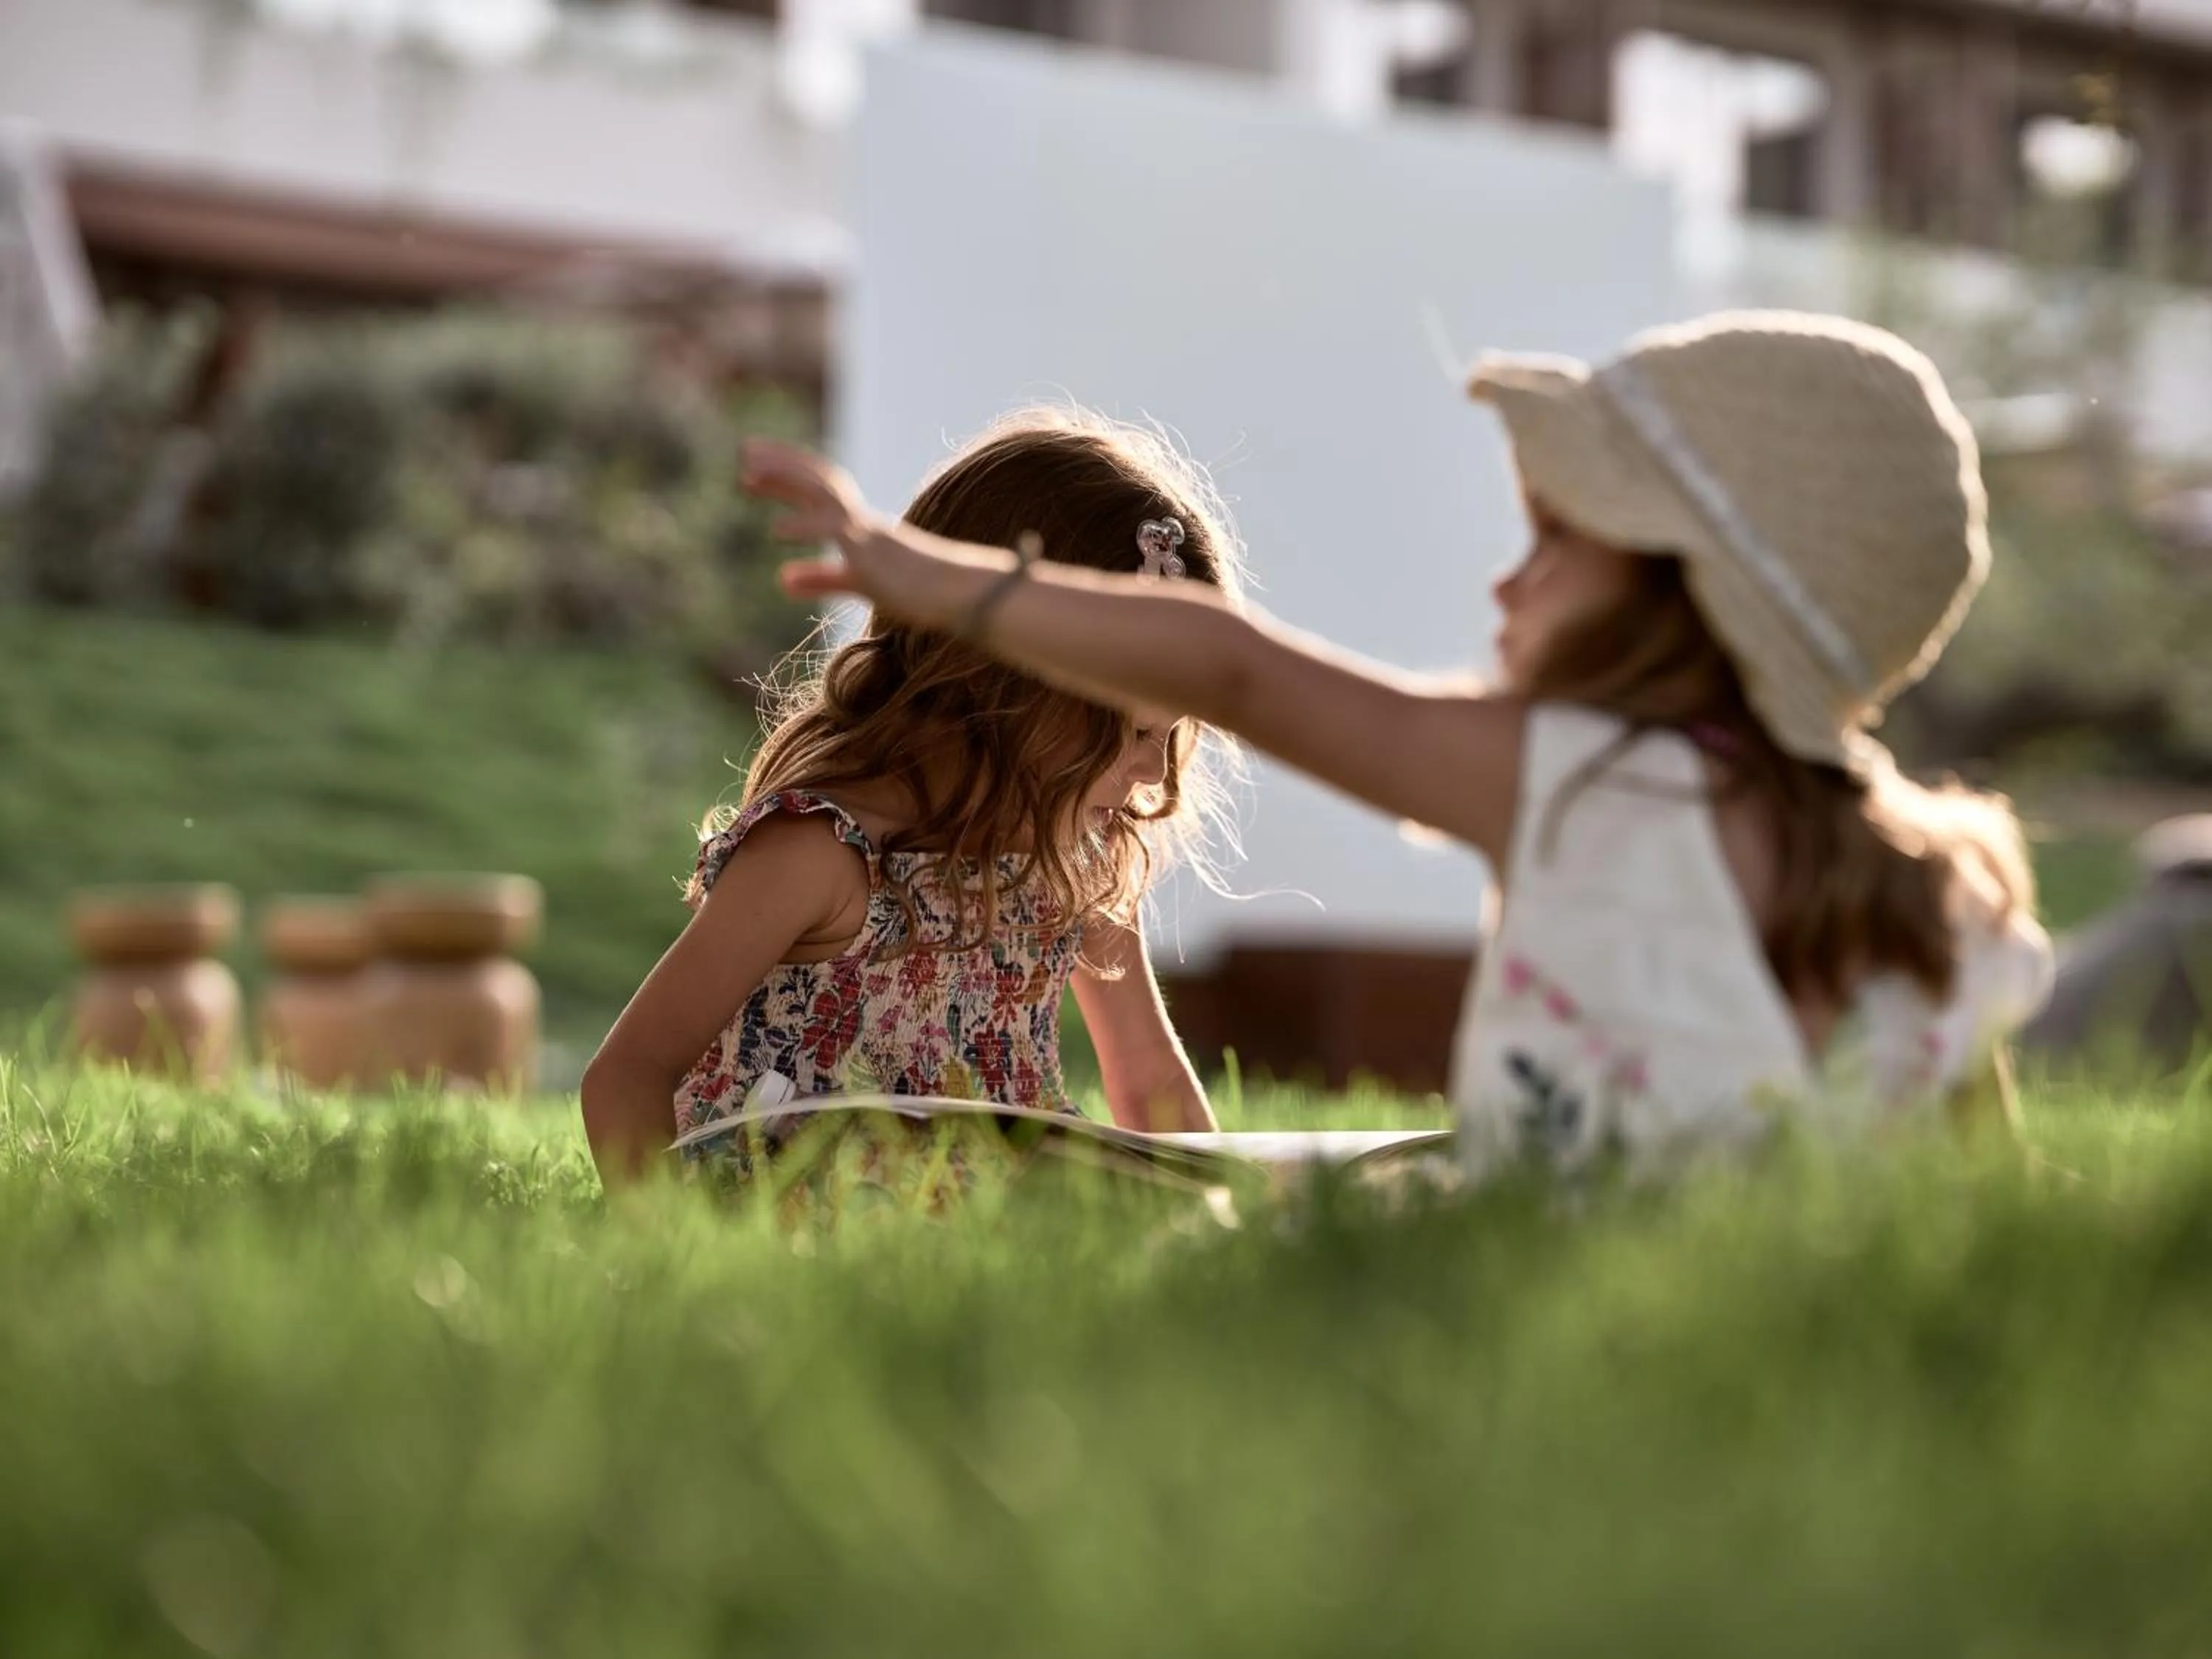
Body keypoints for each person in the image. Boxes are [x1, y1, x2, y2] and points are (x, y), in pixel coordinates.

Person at [743, 310, 2055, 1181]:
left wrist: (927, 575)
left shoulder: (1575, 785)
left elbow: (1231, 665)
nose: (1507, 587)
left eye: (1554, 543)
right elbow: (1982, 1210)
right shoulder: (1944, 887)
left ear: (1682, 589)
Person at [581, 408, 1235, 1186]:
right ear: (1009, 688)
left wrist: (1237, 1231)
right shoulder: (819, 855)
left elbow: (1153, 1086)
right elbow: (627, 1076)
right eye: (1132, 732)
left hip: (995, 1253)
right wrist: (675, 1263)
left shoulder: (1073, 862)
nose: (1156, 774)